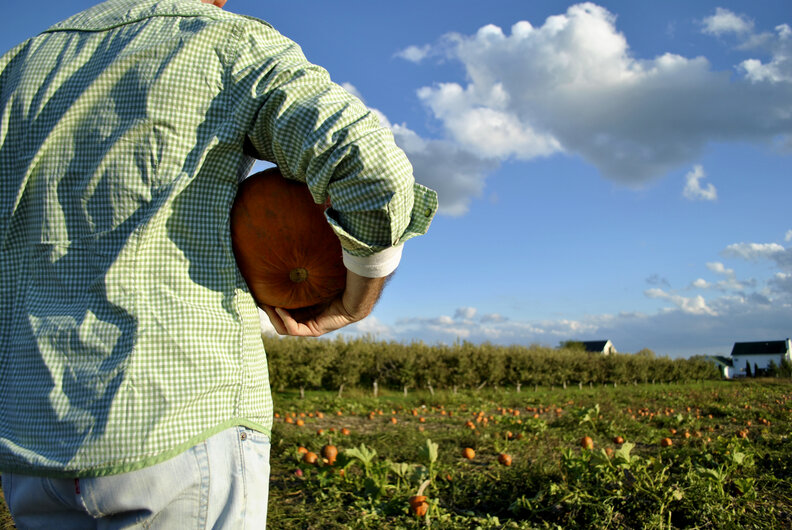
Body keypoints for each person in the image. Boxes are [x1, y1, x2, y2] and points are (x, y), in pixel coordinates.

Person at [0, 0, 437, 527]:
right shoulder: (228, 44)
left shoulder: (19, 65)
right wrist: (357, 297)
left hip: (30, 440)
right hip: (179, 416)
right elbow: (370, 167)